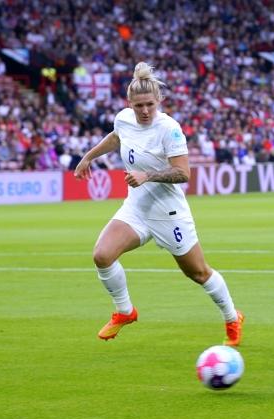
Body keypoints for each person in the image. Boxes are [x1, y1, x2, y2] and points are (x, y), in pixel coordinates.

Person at [74, 62, 244, 345]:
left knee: (198, 272)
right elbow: (116, 137)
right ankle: (125, 312)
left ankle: (231, 317)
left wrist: (147, 175)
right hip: (137, 208)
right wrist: (89, 156)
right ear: (129, 103)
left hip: (168, 212)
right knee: (102, 255)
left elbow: (183, 173)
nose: (144, 111)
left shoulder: (170, 129)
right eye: (138, 105)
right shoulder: (124, 119)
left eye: (149, 105)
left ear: (159, 101)